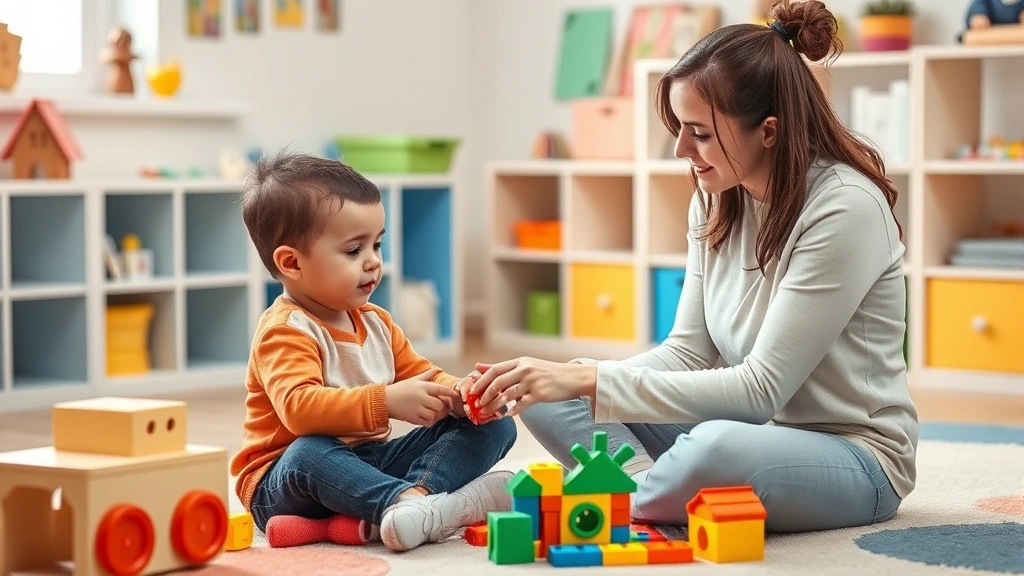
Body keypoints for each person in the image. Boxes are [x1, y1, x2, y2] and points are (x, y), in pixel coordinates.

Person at [464, 0, 917, 534]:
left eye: (699, 132)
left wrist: (589, 380)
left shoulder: (844, 207)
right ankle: (639, 495)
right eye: (678, 128)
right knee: (544, 396)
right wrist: (568, 380)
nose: (681, 149)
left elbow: (759, 391)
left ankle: (593, 495)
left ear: (768, 131)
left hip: (854, 455)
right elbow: (687, 351)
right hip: (753, 430)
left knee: (710, 446)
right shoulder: (716, 196)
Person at [231, 151, 517, 552]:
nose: (373, 263)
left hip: (364, 465)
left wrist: (461, 392)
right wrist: (385, 402)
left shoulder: (376, 321)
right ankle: (402, 503)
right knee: (310, 451)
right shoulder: (285, 331)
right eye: (353, 251)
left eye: (376, 246)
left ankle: (416, 501)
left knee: (496, 425)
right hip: (282, 482)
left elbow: (423, 374)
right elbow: (300, 409)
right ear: (292, 263)